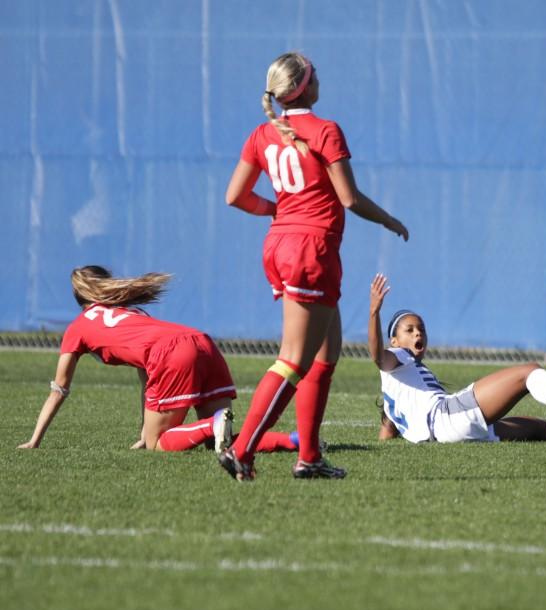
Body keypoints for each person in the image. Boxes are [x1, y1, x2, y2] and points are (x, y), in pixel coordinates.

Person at [221, 52, 409, 481]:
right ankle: (242, 450)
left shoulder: (262, 133)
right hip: (311, 249)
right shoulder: (325, 130)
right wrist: (390, 220)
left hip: (282, 244)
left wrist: (279, 210)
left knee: (326, 352)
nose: (320, 76)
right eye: (315, 73)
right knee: (293, 360)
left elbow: (235, 196)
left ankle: (309, 458)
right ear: (305, 87)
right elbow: (350, 198)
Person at [369, 273, 546, 444]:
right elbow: (377, 357)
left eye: (422, 329)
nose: (418, 333)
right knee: (529, 372)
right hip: (447, 420)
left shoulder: (396, 385)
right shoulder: (397, 357)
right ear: (394, 342)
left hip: (446, 433)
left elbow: (387, 432)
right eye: (410, 329)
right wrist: (374, 313)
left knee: (535, 429)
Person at [18, 266, 237, 453]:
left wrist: (34, 441)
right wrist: (143, 432)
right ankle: (264, 438)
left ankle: (212, 425)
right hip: (203, 341)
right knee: (221, 445)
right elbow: (147, 377)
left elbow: (59, 390)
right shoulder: (134, 313)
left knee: (156, 443)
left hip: (172, 353)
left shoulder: (77, 328)